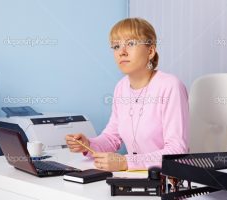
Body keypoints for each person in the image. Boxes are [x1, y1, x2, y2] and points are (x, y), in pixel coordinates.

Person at [66, 18, 189, 171]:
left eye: (130, 44)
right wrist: (88, 144)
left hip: (167, 180)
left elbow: (177, 151)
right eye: (116, 46)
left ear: (150, 51)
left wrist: (126, 162)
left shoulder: (170, 86)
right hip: (135, 178)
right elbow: (112, 138)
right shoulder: (121, 87)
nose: (122, 52)